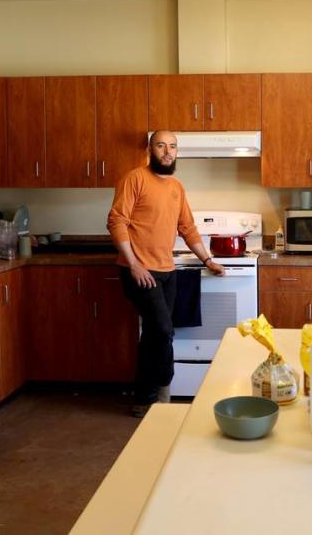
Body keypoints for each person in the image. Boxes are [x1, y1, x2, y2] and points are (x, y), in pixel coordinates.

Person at [107, 130, 225, 417]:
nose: (167, 151)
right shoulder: (135, 178)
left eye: (172, 147)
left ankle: (145, 398)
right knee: (163, 330)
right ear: (151, 150)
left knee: (156, 334)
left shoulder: (176, 187)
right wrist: (134, 263)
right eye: (161, 145)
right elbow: (116, 221)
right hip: (139, 271)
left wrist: (208, 260)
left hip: (167, 271)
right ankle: (161, 393)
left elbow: (188, 228)